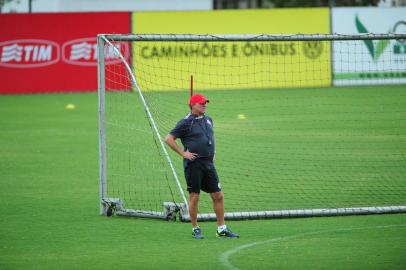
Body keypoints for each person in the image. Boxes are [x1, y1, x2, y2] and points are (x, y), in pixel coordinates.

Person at [164, 93, 239, 239]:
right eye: (201, 103)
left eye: (205, 103)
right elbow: (168, 139)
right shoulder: (185, 122)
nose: (205, 105)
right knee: (194, 196)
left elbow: (210, 137)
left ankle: (221, 228)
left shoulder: (208, 119)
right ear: (193, 105)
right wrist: (183, 153)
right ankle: (195, 228)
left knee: (218, 195)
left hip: (208, 163)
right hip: (194, 164)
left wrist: (213, 151)